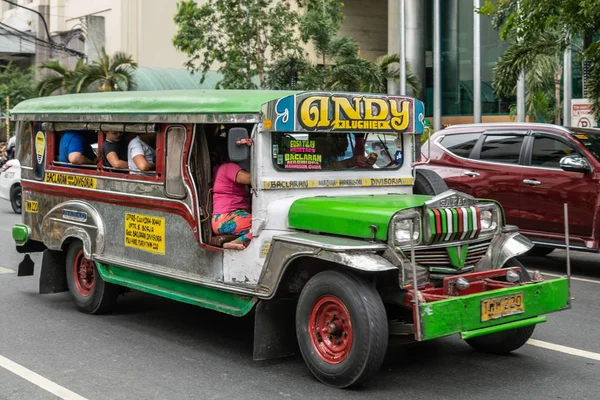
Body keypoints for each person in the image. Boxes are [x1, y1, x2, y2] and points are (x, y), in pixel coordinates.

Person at [211, 139, 253, 250]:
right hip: (227, 218)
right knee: (262, 224)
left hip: (224, 219)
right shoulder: (228, 167)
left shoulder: (219, 169)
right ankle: (234, 242)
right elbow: (250, 178)